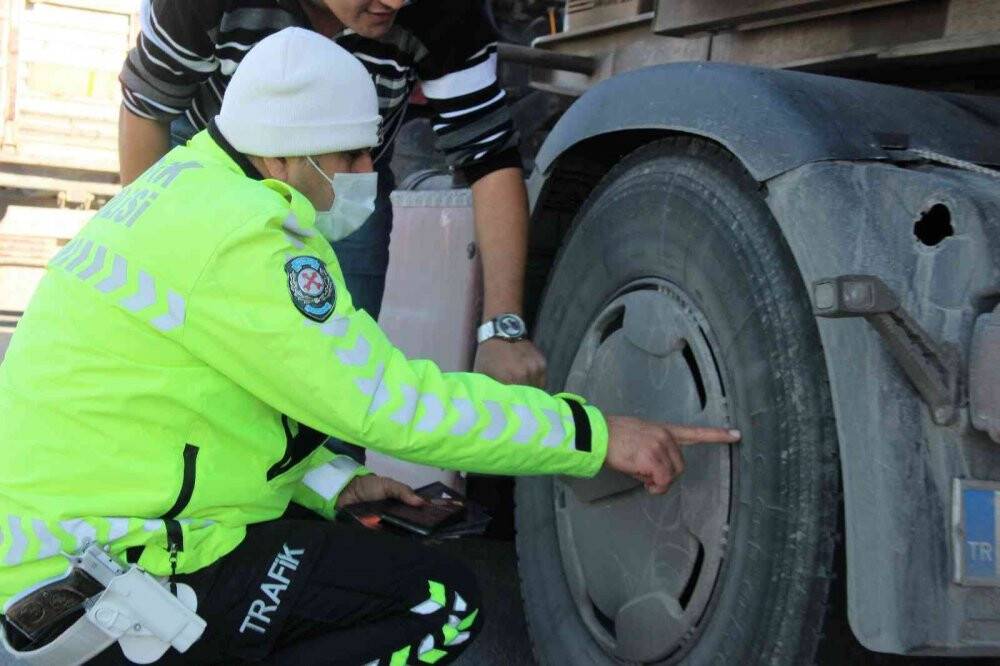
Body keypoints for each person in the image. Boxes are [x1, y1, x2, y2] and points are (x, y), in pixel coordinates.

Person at [0, 29, 740, 665]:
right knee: (442, 605)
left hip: (54, 552)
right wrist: (594, 433)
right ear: (289, 154)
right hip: (101, 585)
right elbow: (392, 407)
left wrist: (329, 483)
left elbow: (203, 405)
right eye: (351, 158)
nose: (366, 178)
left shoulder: (187, 190)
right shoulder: (250, 243)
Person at [118, 0, 547, 390]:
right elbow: (148, 108)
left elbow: (489, 157)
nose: (397, 3)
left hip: (345, 179)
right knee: (188, 351)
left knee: (344, 374)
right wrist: (148, 268)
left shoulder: (443, 10)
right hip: (214, 162)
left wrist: (503, 329)